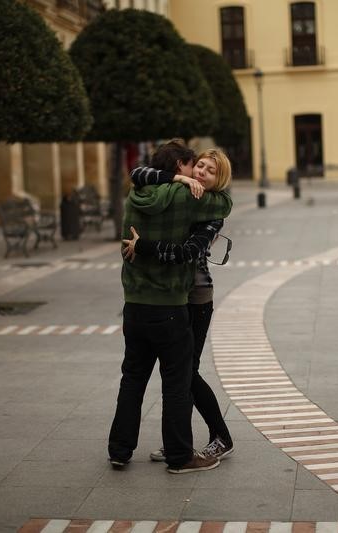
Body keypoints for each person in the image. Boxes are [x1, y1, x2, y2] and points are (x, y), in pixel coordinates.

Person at [108, 139, 232, 474]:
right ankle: (179, 456)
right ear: (180, 168)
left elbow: (137, 174)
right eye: (194, 166)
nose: (198, 172)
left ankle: (119, 450)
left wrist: (143, 245)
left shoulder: (134, 193)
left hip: (134, 304)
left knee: (132, 378)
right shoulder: (188, 198)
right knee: (177, 380)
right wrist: (185, 184)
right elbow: (224, 205)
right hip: (170, 305)